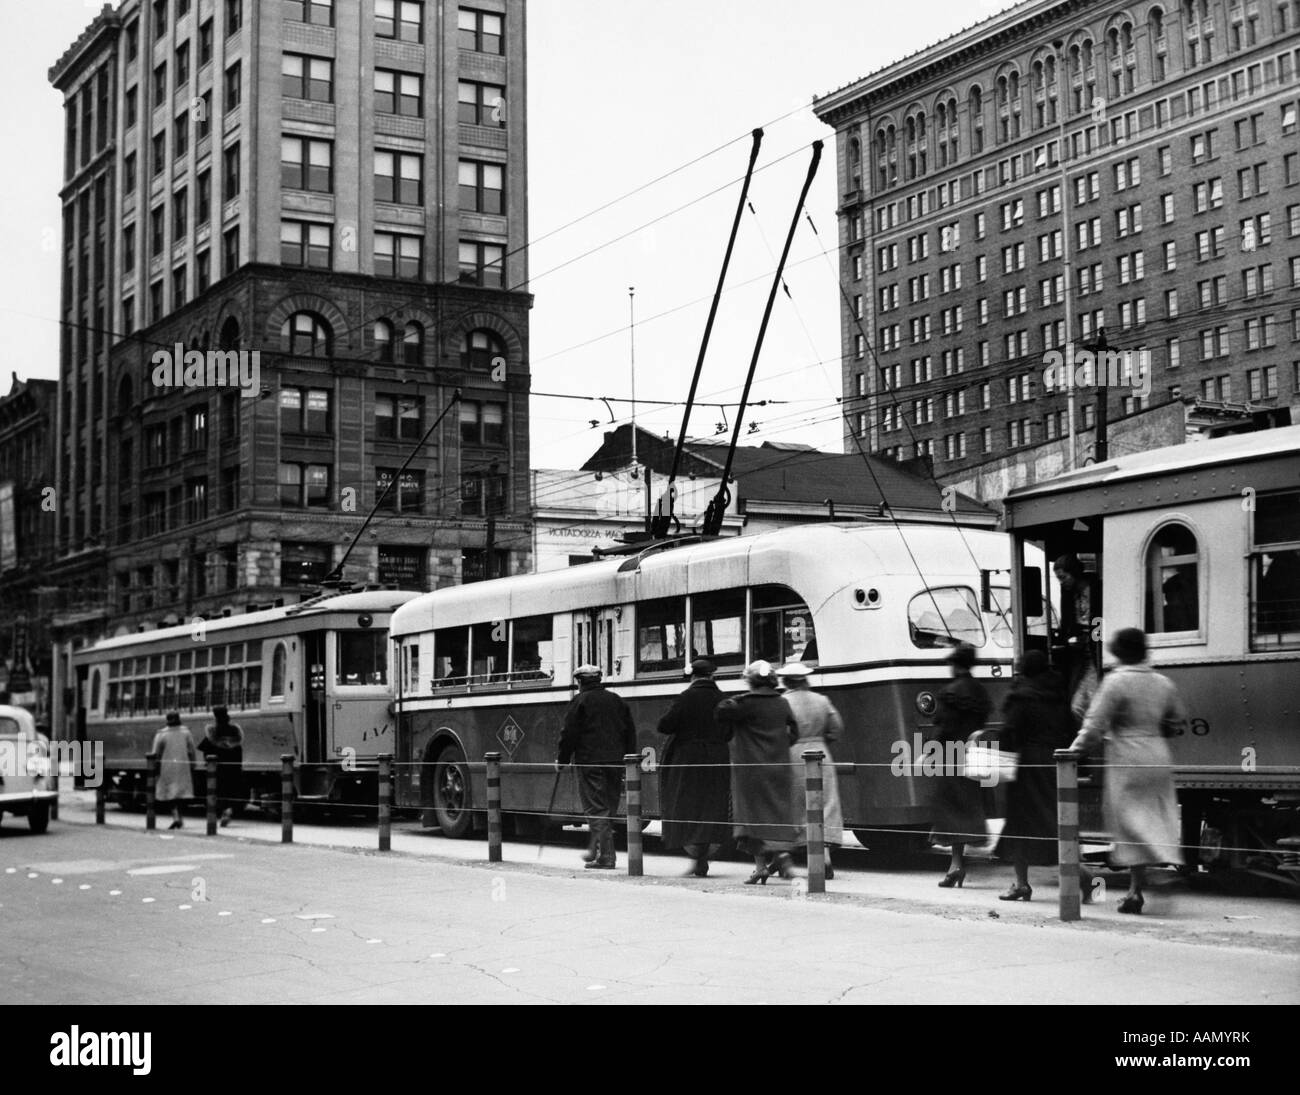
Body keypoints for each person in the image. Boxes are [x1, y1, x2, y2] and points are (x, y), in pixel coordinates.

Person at [1070, 627, 1186, 913]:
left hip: (1126, 757)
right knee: (1152, 818)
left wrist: (1074, 751)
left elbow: (1094, 725)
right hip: (1158, 755)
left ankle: (1156, 877)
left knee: (1129, 821)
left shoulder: (1115, 682)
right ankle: (1136, 891)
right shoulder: (1163, 682)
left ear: (1119, 652)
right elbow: (1177, 722)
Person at [996, 650, 1076, 901]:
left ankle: (1021, 884)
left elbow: (1010, 732)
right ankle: (1078, 873)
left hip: (1028, 763)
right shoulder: (1058, 694)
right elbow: (1071, 728)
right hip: (1056, 762)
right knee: (1056, 817)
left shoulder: (1021, 696)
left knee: (1020, 823)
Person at [716, 660, 800, 884]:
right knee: (777, 814)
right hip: (779, 767)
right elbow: (795, 732)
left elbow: (721, 710)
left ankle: (772, 861)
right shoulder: (782, 703)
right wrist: (779, 747)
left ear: (751, 681)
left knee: (751, 817)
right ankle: (769, 863)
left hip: (751, 770)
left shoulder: (746, 703)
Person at [556, 664, 636, 870]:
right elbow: (629, 731)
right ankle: (597, 850)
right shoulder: (617, 700)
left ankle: (607, 857)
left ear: (580, 681)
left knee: (596, 809)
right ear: (599, 679)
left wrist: (562, 760)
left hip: (590, 762)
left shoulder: (579, 701)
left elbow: (569, 734)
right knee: (608, 807)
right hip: (616, 762)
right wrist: (629, 759)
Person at [657, 658, 730, 877]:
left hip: (688, 759)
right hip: (717, 757)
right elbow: (730, 732)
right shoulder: (722, 699)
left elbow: (664, 726)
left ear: (693, 676)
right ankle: (703, 854)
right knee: (712, 805)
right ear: (712, 675)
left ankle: (695, 854)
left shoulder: (685, 698)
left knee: (687, 804)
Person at [928, 642, 992, 888]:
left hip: (951, 755)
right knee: (966, 807)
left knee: (950, 809)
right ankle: (955, 866)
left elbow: (944, 727)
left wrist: (930, 750)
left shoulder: (950, 692)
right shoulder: (980, 691)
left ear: (955, 665)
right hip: (974, 755)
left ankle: (956, 866)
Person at [776, 662, 844, 880]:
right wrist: (823, 740)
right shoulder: (822, 700)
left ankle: (790, 856)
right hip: (821, 752)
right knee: (823, 804)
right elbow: (837, 728)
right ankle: (824, 858)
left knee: (797, 805)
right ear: (805, 679)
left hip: (793, 753)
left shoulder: (783, 701)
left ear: (786, 681)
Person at [1054, 553, 1099, 706]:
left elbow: (1101, 619)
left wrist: (1092, 638)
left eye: (1063, 577)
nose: (1061, 582)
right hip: (1080, 653)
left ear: (1074, 573)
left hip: (1095, 650)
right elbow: (1067, 623)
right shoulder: (1068, 595)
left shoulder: (1095, 590)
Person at [198, 705, 244, 827]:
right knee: (232, 790)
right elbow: (239, 751)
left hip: (218, 768)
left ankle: (223, 811)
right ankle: (229, 810)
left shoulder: (213, 732)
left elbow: (204, 749)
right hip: (233, 768)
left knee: (219, 791)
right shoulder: (235, 732)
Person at [151, 710, 197, 830]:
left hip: (167, 766)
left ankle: (176, 817)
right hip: (183, 766)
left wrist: (155, 767)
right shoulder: (186, 732)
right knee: (180, 794)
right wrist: (193, 764)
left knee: (170, 793)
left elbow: (156, 753)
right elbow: (191, 750)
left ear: (167, 720)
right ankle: (179, 817)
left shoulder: (162, 734)